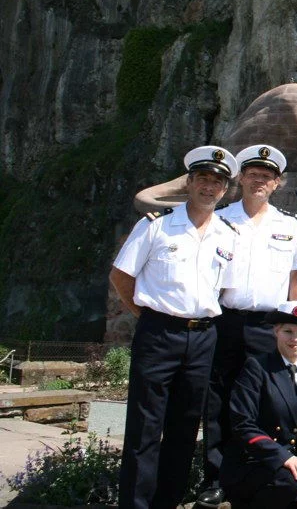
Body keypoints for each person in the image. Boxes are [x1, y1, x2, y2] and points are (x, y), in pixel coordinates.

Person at [110, 146, 239, 509]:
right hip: (159, 334)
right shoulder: (157, 225)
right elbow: (121, 276)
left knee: (184, 430)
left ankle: (166, 502)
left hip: (202, 338)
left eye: (217, 182)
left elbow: (224, 289)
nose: (209, 187)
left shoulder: (227, 235)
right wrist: (147, 317)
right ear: (189, 182)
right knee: (145, 429)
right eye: (202, 179)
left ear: (226, 189)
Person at [202, 144, 297, 503]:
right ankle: (216, 477)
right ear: (241, 178)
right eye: (253, 174)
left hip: (270, 326)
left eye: (267, 176)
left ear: (277, 183)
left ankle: (265, 469)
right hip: (226, 321)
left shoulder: (290, 226)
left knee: (268, 401)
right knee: (218, 398)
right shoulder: (220, 219)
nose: (259, 180)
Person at [220, 301, 297, 509]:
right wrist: (283, 457)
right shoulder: (257, 367)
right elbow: (243, 424)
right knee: (290, 481)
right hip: (254, 464)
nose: (294, 338)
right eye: (288, 331)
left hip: (291, 469)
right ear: (276, 331)